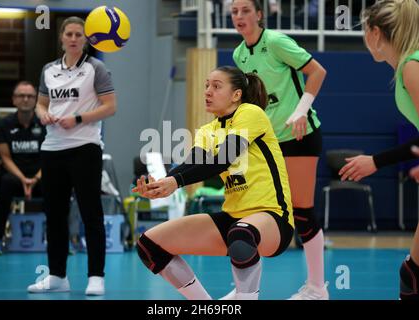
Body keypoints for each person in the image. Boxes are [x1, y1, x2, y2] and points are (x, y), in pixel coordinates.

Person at [133, 66, 294, 300]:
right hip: (232, 218)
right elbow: (194, 164)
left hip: (273, 217)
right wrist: (163, 183)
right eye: (206, 85)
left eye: (216, 86)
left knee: (241, 236)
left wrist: (175, 181)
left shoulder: (250, 113)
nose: (208, 91)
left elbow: (224, 159)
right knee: (149, 245)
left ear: (236, 95)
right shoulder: (207, 131)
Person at [225, 0, 328, 300]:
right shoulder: (239, 54)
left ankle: (317, 288)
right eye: (234, 11)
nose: (240, 16)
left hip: (299, 136)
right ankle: (245, 289)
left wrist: (300, 110)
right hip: (266, 143)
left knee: (303, 211)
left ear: (259, 14)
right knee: (252, 213)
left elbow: (318, 71)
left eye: (246, 10)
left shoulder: (277, 42)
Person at [26, 16, 117, 296]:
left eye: (80, 34)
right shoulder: (49, 70)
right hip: (52, 149)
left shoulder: (95, 68)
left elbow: (110, 106)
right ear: (62, 38)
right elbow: (41, 104)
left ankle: (96, 276)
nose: (75, 38)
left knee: (91, 212)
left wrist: (78, 118)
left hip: (85, 147)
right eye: (70, 34)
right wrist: (44, 116)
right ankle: (57, 276)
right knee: (54, 215)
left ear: (86, 39)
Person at [338, 0, 419, 300]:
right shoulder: (406, 68)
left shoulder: (412, 66)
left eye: (363, 31)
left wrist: (376, 161)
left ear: (374, 33)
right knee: (412, 273)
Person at [0, 81, 45, 255]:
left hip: (40, 175)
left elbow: (49, 157)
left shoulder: (45, 123)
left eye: (30, 96)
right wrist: (23, 179)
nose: (25, 99)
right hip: (14, 176)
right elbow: (5, 157)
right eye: (21, 95)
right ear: (14, 100)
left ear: (36, 100)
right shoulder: (3, 124)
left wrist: (35, 179)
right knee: (4, 187)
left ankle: (62, 240)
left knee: (56, 189)